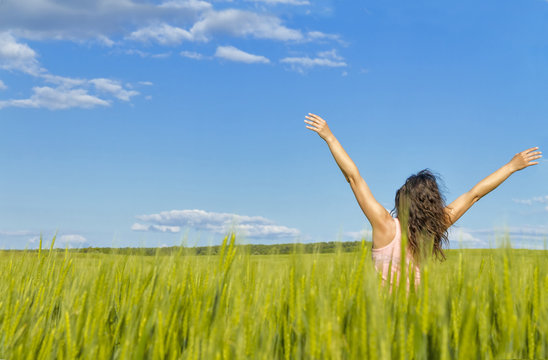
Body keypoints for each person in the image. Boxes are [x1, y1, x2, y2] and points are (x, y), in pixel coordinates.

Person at [304, 113, 542, 289]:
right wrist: (511, 167)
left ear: (403, 198)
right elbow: (474, 194)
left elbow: (354, 178)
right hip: (417, 322)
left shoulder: (384, 225)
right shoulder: (436, 229)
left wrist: (330, 137)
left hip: (382, 323)